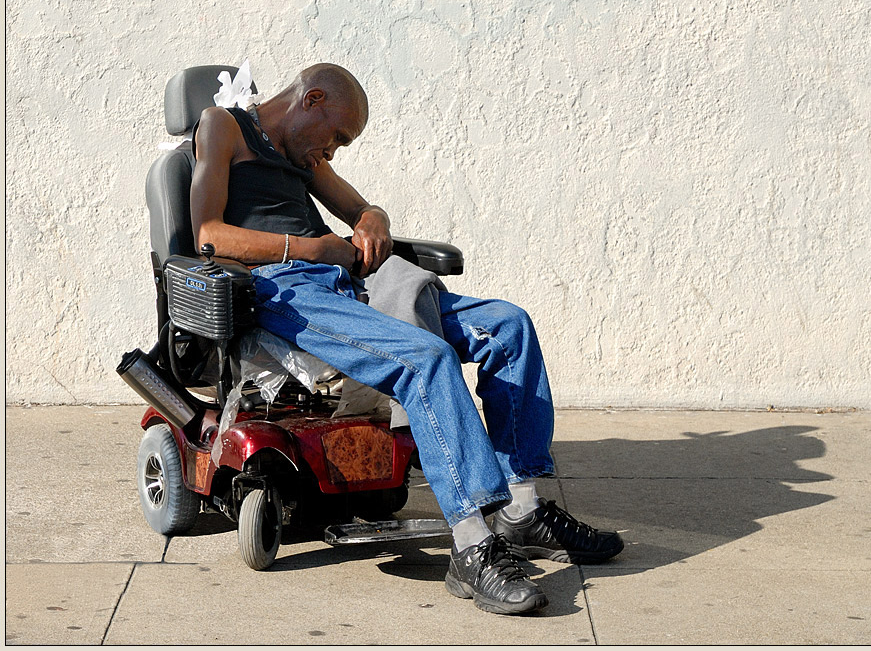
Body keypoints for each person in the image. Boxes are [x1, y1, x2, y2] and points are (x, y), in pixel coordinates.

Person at [190, 63, 623, 615]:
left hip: (350, 283)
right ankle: (471, 547)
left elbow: (363, 209)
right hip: (285, 292)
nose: (334, 152)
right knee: (426, 359)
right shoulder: (222, 126)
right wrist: (308, 250)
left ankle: (521, 509)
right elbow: (207, 236)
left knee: (508, 327)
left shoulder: (304, 155)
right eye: (337, 136)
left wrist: (373, 220)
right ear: (312, 99)